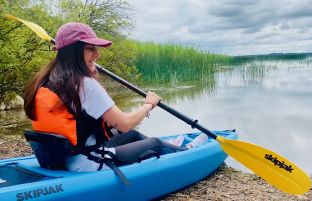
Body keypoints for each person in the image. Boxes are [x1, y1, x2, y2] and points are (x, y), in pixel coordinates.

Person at [23, 22, 207, 172]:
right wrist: (149, 105)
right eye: (90, 49)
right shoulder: (84, 84)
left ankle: (171, 147)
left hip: (61, 158)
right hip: (86, 163)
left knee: (131, 134)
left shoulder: (49, 79)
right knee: (154, 143)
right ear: (74, 53)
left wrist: (89, 65)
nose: (98, 55)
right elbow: (125, 122)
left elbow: (86, 119)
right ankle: (185, 152)